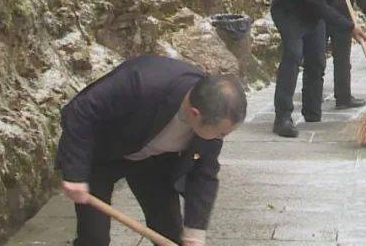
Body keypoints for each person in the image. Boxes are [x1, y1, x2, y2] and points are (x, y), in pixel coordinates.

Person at [55, 55, 247, 246]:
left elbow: (204, 174)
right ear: (195, 114)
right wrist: (75, 175)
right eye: (221, 133)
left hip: (153, 161)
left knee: (169, 232)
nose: (221, 139)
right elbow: (79, 112)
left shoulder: (213, 116)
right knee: (94, 238)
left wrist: (195, 234)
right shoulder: (142, 84)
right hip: (103, 152)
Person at [269, 0, 364, 138]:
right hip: (290, 11)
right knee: (293, 56)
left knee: (318, 59)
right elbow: (318, 5)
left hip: (313, 11)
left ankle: (312, 112)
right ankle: (282, 117)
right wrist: (349, 26)